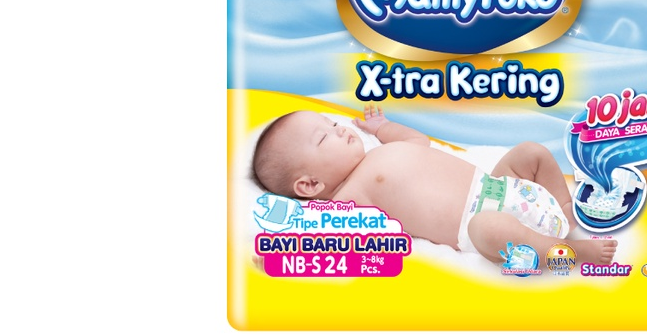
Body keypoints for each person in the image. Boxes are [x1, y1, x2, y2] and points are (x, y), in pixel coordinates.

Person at [252, 106, 618, 265]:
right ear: (310, 185)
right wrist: (281, 255)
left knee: (531, 152)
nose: (340, 129)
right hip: (477, 224)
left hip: (500, 186)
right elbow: (324, 237)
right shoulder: (348, 199)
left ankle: (566, 210)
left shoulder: (380, 150)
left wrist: (381, 128)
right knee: (490, 228)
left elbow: (418, 141)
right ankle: (566, 252)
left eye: (332, 124)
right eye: (324, 137)